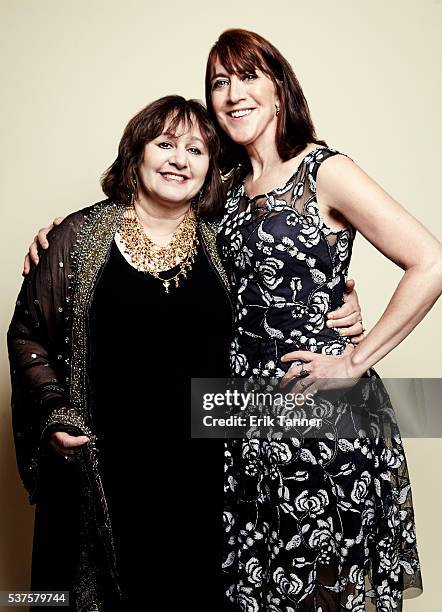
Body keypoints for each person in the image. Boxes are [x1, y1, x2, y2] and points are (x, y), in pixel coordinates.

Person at [10, 94, 362, 611]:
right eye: (165, 144)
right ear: (137, 155)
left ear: (211, 168)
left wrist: (345, 299)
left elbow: (288, 290)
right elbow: (28, 334)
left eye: (196, 150)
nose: (180, 159)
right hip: (104, 474)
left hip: (204, 481)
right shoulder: (75, 238)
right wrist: (53, 410)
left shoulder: (223, 245)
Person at [203, 28, 442, 611]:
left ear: (280, 90)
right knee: (259, 586)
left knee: (321, 588)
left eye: (248, 76)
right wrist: (62, 239)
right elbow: (151, 215)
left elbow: (430, 261)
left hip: (321, 410)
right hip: (245, 417)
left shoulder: (323, 171)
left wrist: (356, 359)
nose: (232, 93)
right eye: (218, 82)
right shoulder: (225, 185)